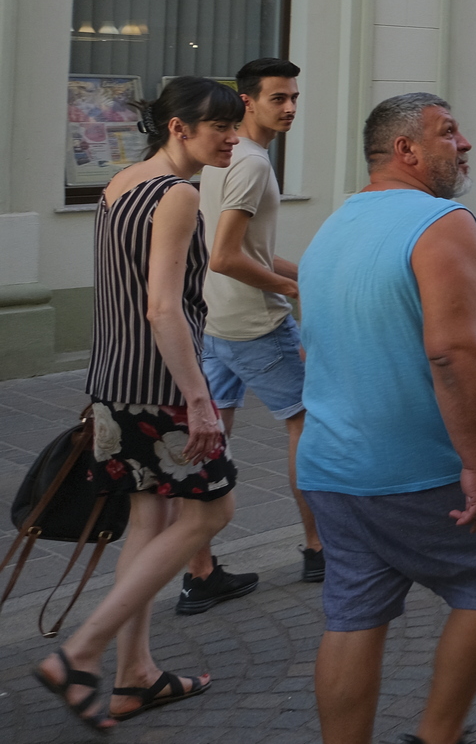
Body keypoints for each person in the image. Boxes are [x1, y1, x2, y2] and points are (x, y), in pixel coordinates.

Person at [297, 93, 476, 744]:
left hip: (332, 468)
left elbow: (315, 345)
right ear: (405, 149)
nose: (465, 143)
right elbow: (451, 350)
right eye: (448, 132)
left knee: (353, 615)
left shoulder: (334, 225)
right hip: (423, 469)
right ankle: (438, 735)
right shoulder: (444, 222)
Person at [31, 77, 243, 731]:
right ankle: (81, 653)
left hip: (113, 385)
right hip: (161, 388)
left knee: (151, 522)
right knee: (213, 511)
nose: (232, 138)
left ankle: (135, 675)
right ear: (179, 127)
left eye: (235, 126)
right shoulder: (177, 194)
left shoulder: (120, 183)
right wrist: (199, 400)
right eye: (220, 126)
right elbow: (161, 307)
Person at [185, 57, 320, 614]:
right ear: (248, 102)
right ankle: (319, 549)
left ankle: (199, 573)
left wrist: (304, 274)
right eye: (277, 98)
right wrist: (291, 291)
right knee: (308, 424)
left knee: (208, 439)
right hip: (254, 325)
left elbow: (240, 250)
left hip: (214, 321)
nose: (289, 108)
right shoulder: (251, 163)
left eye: (294, 97)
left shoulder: (223, 154)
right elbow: (224, 256)